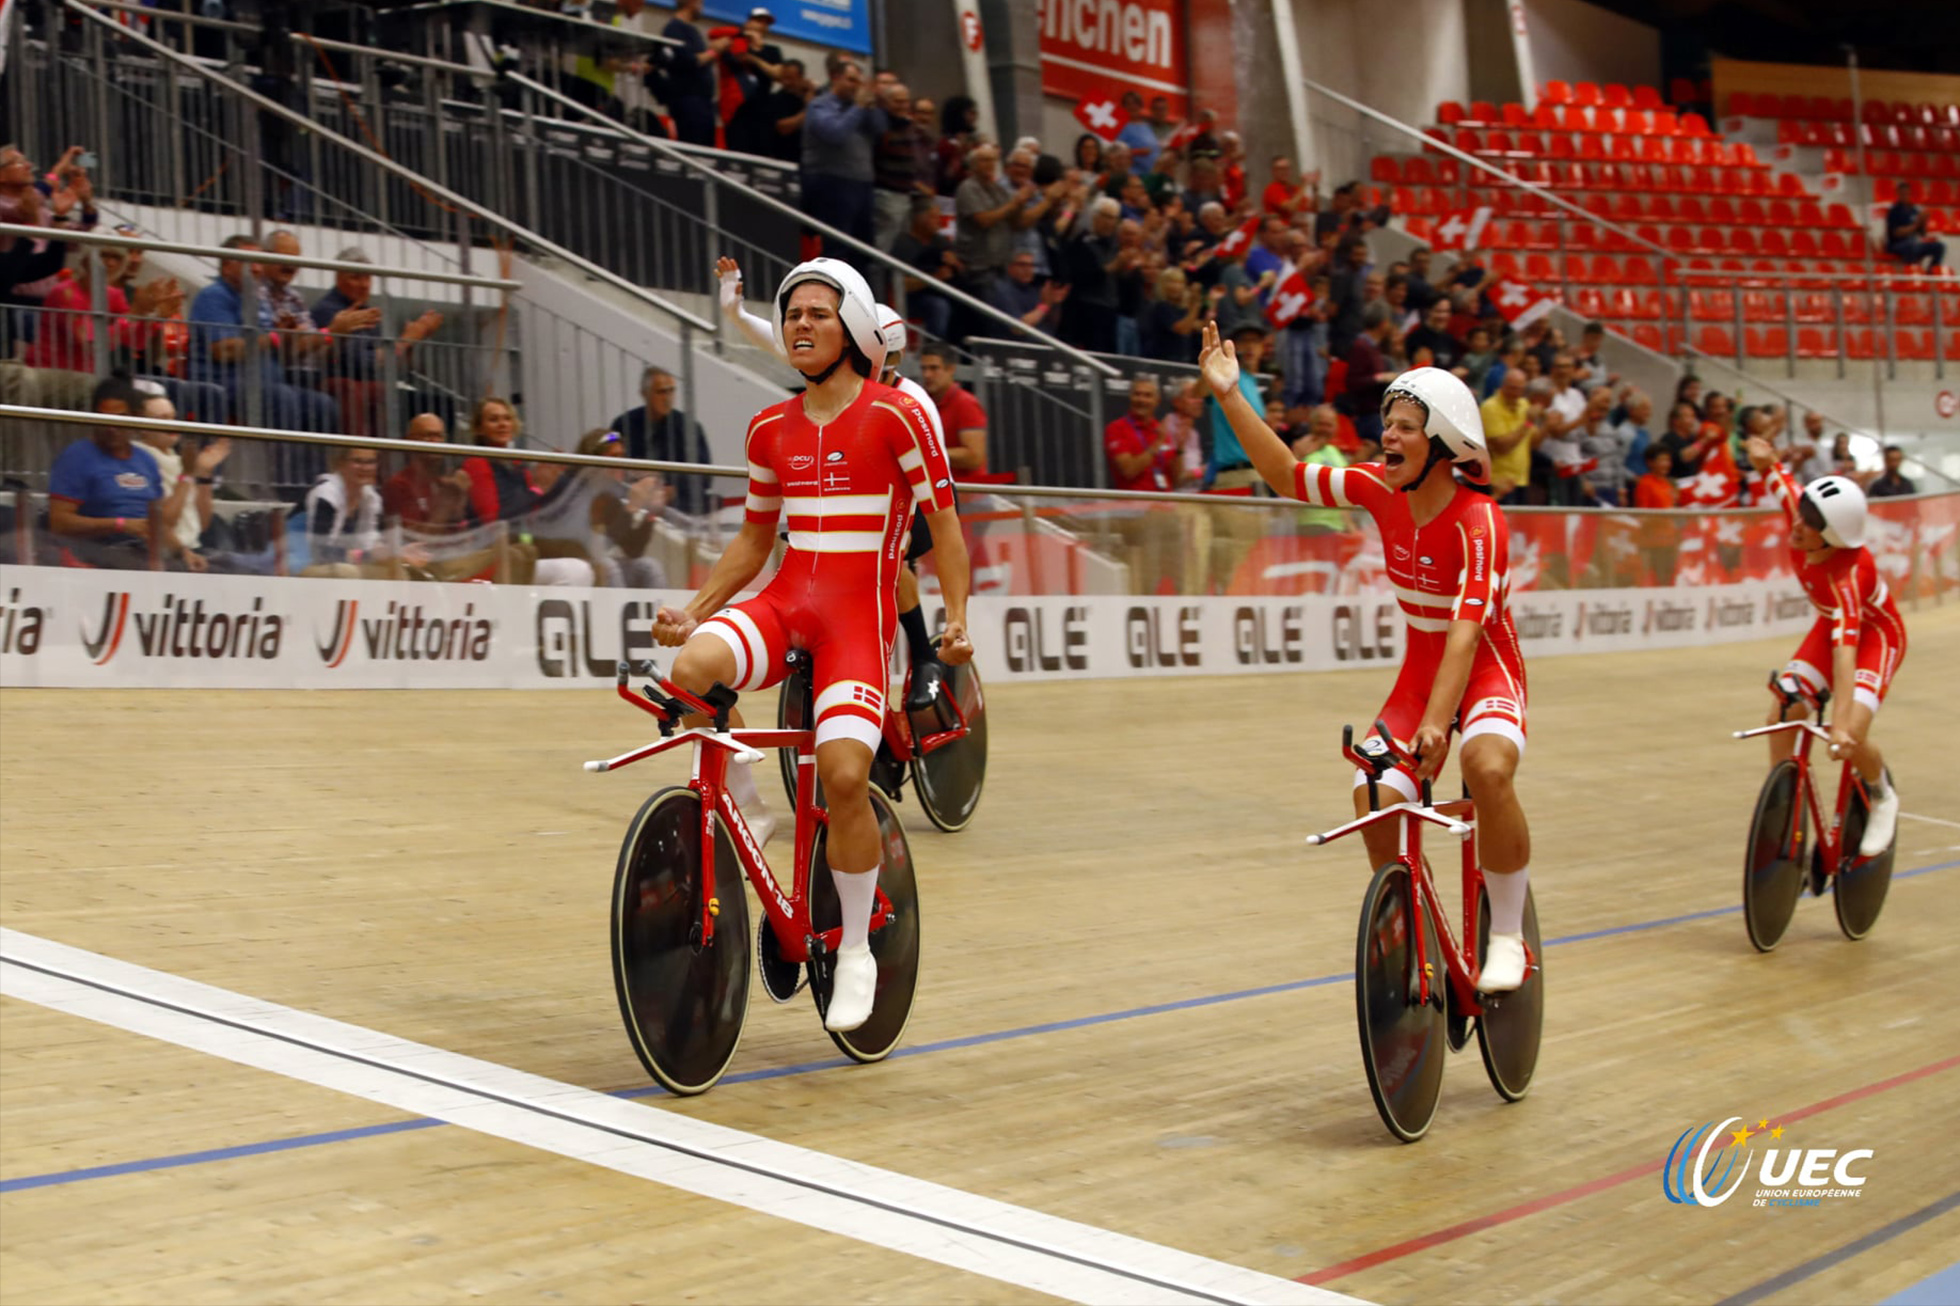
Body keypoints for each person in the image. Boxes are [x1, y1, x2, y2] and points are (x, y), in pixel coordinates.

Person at [651, 259, 972, 1035]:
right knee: (691, 670)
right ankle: (751, 809)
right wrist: (695, 610)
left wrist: (955, 617)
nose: (798, 323)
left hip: (858, 623)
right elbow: (756, 539)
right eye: (790, 312)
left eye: (817, 313)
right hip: (786, 603)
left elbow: (949, 524)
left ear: (855, 327)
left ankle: (857, 945)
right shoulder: (769, 428)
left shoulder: (899, 415)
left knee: (843, 775)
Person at [1198, 326, 1534, 991]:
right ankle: (1423, 926)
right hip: (1420, 677)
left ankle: (1507, 934)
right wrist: (1233, 396)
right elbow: (1286, 475)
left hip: (1486, 673)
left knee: (1485, 766)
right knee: (1373, 793)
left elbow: (1466, 637)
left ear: (1443, 443)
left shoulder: (1481, 521)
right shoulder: (1380, 492)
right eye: (1388, 423)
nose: (1389, 436)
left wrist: (1439, 725)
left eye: (1407, 426)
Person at [1742, 436, 1905, 856]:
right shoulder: (1806, 516)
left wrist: (1838, 726)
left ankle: (1882, 793)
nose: (1797, 525)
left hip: (1875, 639)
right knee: (1784, 710)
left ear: (1831, 537)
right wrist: (1765, 458)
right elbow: (1779, 477)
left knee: (1850, 734)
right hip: (1831, 626)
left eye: (1809, 524)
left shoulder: (1850, 576)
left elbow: (1845, 653)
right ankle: (1786, 806)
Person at [310, 246, 442, 438]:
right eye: (356, 277)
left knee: (436, 403)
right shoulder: (329, 310)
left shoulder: (367, 312)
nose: (364, 285)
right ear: (339, 278)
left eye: (367, 278)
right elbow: (359, 362)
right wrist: (405, 342)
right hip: (340, 385)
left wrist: (415, 339)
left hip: (368, 386)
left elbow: (390, 365)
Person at [46, 374, 165, 569]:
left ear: (135, 419)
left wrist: (183, 552)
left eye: (121, 418)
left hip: (146, 553)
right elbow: (59, 523)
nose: (112, 427)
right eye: (105, 417)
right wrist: (120, 524)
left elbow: (160, 524)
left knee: (222, 566)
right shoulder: (76, 457)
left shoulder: (147, 461)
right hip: (100, 553)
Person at [132, 386, 230, 571]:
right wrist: (187, 474)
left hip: (195, 548)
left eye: (173, 417)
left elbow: (202, 523)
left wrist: (205, 474)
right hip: (167, 554)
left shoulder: (180, 460)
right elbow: (164, 521)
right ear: (141, 427)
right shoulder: (139, 458)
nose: (173, 424)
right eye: (163, 419)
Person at [607, 364, 716, 515]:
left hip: (679, 505)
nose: (668, 398)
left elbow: (705, 474)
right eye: (661, 392)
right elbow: (607, 441)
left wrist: (674, 490)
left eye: (671, 391)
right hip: (635, 498)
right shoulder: (622, 423)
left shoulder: (691, 428)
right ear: (645, 394)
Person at [803, 57, 886, 247]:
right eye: (851, 80)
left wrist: (872, 106)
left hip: (862, 183)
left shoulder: (862, 107)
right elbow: (835, 134)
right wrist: (858, 107)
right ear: (836, 78)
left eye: (859, 82)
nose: (855, 86)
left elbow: (881, 129)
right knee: (837, 244)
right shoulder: (820, 105)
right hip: (832, 182)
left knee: (863, 247)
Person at [655, 0, 723, 146]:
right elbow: (688, 61)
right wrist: (714, 51)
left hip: (702, 102)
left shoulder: (690, 30)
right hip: (689, 101)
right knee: (694, 144)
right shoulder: (674, 29)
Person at [918, 341, 988, 477]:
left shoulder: (966, 403)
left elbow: (974, 457)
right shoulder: (922, 401)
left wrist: (927, 452)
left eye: (934, 368)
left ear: (950, 369)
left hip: (969, 493)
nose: (927, 375)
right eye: (924, 369)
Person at [1480, 365, 1539, 504]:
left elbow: (1534, 443)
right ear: (1503, 385)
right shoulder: (1490, 407)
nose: (1516, 393)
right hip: (1498, 481)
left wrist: (1548, 426)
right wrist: (1528, 423)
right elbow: (1502, 447)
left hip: (1521, 479)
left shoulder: (1524, 405)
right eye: (1512, 388)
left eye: (1519, 389)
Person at [1632, 443, 1678, 585]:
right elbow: (1642, 515)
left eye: (1668, 460)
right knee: (1654, 580)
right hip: (1652, 542)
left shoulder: (1668, 484)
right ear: (1651, 462)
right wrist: (1662, 517)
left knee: (1668, 579)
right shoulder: (1646, 483)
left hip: (1670, 540)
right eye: (1662, 460)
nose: (1666, 464)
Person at [1884, 183, 1945, 273]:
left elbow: (1922, 233)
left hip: (1914, 243)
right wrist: (1915, 225)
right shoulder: (1894, 211)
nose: (1905, 196)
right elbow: (1896, 232)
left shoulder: (1914, 210)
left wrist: (1923, 222)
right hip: (1896, 244)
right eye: (1903, 194)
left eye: (1907, 194)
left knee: (1939, 246)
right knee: (1911, 245)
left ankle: (1931, 272)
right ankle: (1911, 272)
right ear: (1898, 194)